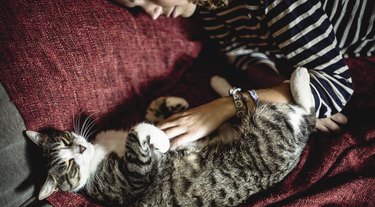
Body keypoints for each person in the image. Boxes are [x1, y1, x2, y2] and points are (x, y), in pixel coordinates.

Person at [114, 0, 375, 147]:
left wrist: (223, 108)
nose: (152, 14)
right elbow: (239, 52)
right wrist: (287, 92)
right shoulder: (209, 8)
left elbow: (335, 86)